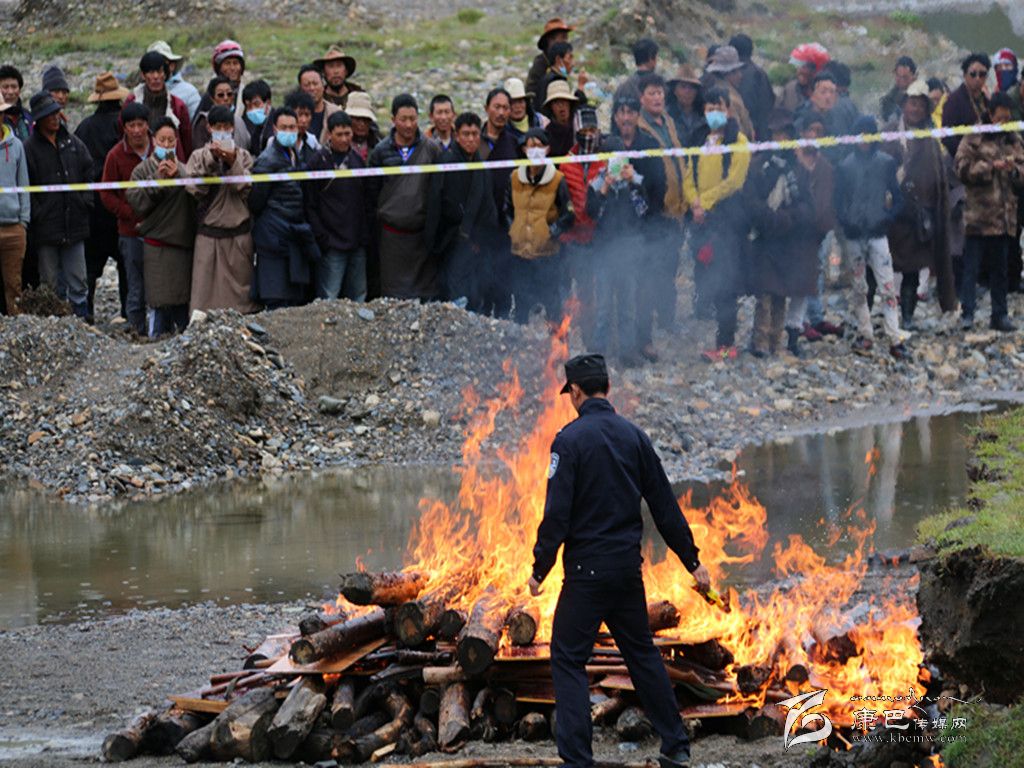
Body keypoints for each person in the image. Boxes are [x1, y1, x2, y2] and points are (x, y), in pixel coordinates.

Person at [529, 352, 709, 768]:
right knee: (642, 654)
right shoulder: (634, 437)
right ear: (606, 388)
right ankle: (676, 746)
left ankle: (577, 759)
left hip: (586, 575)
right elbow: (665, 506)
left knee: (568, 657)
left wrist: (541, 568)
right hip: (627, 572)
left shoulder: (568, 441)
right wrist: (691, 560)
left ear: (575, 391)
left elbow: (556, 515)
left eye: (569, 392)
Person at [684, 87, 751, 362]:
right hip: (701, 220)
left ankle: (726, 343)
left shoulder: (739, 141)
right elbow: (688, 173)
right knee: (705, 275)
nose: (714, 113)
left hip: (727, 220)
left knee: (726, 283)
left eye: (719, 107)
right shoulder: (698, 138)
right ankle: (714, 334)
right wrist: (694, 202)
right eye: (709, 108)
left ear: (729, 110)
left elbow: (735, 181)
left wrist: (706, 201)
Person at [587, 101, 657, 365]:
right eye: (610, 160)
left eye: (620, 160)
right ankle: (599, 352)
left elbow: (644, 209)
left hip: (628, 250)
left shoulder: (634, 181)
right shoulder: (597, 182)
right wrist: (605, 185)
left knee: (627, 305)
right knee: (604, 306)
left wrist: (632, 183)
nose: (615, 165)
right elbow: (592, 212)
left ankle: (628, 351)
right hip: (605, 251)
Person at [884, 80, 956, 327]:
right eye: (911, 104)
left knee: (912, 271)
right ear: (904, 105)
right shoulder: (891, 131)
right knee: (883, 268)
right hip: (892, 214)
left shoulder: (929, 139)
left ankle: (907, 316)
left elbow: (936, 174)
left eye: (919, 105)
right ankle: (883, 316)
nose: (915, 109)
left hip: (919, 217)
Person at [745, 110, 817, 358]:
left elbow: (808, 205)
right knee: (764, 294)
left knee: (780, 295)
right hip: (765, 238)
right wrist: (769, 218)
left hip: (788, 240)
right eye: (776, 134)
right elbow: (751, 201)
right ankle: (760, 341)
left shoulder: (798, 171)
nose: (780, 139)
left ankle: (776, 341)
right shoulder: (759, 167)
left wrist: (789, 218)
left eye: (784, 134)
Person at [834, 115, 907, 358]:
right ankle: (866, 333)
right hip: (855, 235)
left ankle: (894, 337)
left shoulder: (885, 163)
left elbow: (898, 197)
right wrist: (846, 223)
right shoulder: (845, 166)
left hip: (877, 234)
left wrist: (888, 217)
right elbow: (839, 202)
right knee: (859, 287)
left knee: (887, 286)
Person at [955, 92, 1024, 332]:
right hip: (978, 216)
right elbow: (961, 168)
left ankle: (999, 315)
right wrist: (989, 167)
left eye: (1007, 118)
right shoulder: (974, 137)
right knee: (971, 268)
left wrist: (1014, 170)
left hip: (1004, 218)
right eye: (999, 118)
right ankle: (968, 314)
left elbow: (1023, 169)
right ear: (990, 114)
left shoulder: (1013, 138)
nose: (1003, 123)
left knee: (1000, 270)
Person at [24, 91, 93, 319]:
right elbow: (26, 186)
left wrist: (85, 202)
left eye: (56, 113)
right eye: (49, 114)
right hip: (46, 227)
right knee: (49, 283)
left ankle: (81, 323)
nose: (55, 118)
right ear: (39, 119)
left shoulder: (73, 142)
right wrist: (38, 213)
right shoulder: (29, 149)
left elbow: (88, 170)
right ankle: (52, 329)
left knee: (78, 280)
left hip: (74, 223)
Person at [368, 94, 443, 300]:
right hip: (391, 238)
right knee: (393, 297)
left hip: (421, 237)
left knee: (425, 296)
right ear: (393, 120)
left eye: (413, 119)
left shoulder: (431, 149)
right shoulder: (380, 152)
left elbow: (437, 191)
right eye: (403, 119)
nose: (409, 125)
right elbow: (372, 193)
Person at [127, 117, 197, 335]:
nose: (166, 145)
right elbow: (136, 202)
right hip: (156, 246)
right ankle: (154, 340)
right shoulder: (142, 170)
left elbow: (198, 196)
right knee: (158, 301)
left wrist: (179, 176)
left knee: (181, 302)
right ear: (153, 141)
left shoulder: (185, 169)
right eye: (162, 140)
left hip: (181, 244)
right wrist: (157, 179)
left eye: (170, 141)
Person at [185, 104, 258, 314]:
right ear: (209, 128)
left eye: (227, 126)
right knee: (204, 300)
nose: (223, 131)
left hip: (238, 236)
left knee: (241, 300)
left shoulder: (244, 156)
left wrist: (232, 162)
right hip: (209, 236)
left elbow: (245, 189)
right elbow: (194, 190)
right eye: (218, 126)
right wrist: (213, 160)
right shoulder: (198, 156)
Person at [609, 92, 665, 363]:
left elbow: (659, 186)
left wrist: (636, 179)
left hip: (643, 229)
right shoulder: (607, 144)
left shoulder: (649, 145)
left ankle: (644, 340)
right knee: (616, 289)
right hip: (612, 230)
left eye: (631, 112)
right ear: (615, 117)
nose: (626, 118)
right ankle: (619, 344)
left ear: (638, 116)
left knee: (644, 289)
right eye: (622, 112)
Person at [249, 107, 321, 309]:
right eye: (284, 127)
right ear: (274, 128)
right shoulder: (267, 160)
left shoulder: (293, 154)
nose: (289, 131)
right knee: (276, 298)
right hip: (273, 235)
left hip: (292, 233)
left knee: (292, 299)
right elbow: (256, 201)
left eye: (292, 127)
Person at [636, 73, 686, 357]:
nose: (657, 98)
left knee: (671, 266)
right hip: (658, 209)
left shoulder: (667, 122)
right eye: (652, 94)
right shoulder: (641, 128)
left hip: (677, 207)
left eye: (660, 93)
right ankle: (649, 325)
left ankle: (667, 317)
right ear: (642, 97)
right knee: (652, 269)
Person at [425, 111, 497, 306]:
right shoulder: (446, 162)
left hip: (475, 243)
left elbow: (487, 206)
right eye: (466, 134)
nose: (471, 139)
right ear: (457, 135)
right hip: (449, 241)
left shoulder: (480, 165)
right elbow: (435, 204)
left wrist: (480, 238)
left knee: (474, 294)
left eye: (475, 134)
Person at [75, 71, 131, 322]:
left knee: (90, 265)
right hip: (122, 203)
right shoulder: (124, 125)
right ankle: (128, 313)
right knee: (126, 264)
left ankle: (86, 313)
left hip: (95, 208)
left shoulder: (85, 127)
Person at [504, 127, 574, 324]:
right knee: (521, 307)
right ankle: (520, 348)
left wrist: (550, 232)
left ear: (547, 149)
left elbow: (568, 215)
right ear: (524, 149)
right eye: (531, 145)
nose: (534, 149)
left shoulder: (558, 180)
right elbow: (506, 209)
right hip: (520, 255)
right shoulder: (514, 178)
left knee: (552, 306)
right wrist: (514, 230)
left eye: (539, 145)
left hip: (547, 255)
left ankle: (557, 349)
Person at [308, 110, 372, 302]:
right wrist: (322, 236)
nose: (345, 139)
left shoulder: (357, 161)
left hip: (356, 241)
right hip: (332, 243)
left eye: (348, 134)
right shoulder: (318, 162)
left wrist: (364, 235)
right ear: (329, 135)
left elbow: (365, 201)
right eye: (340, 135)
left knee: (359, 294)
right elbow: (310, 203)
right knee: (329, 296)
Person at [100, 102, 152, 335]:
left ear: (148, 125)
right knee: (135, 282)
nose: (137, 130)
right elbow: (106, 192)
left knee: (161, 280)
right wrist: (127, 213)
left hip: (161, 229)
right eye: (132, 125)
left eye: (141, 124)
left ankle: (160, 328)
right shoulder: (115, 156)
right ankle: (137, 329)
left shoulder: (161, 148)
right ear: (124, 128)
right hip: (130, 231)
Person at [559, 107, 606, 342]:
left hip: (595, 237)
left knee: (589, 291)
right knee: (566, 292)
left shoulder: (605, 161)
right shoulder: (566, 163)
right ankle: (562, 339)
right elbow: (562, 197)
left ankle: (590, 337)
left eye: (592, 129)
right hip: (571, 238)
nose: (589, 134)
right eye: (584, 129)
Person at [479, 87, 519, 317]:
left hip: (506, 226)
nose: (502, 113)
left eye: (506, 108)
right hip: (480, 226)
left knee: (504, 285)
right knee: (481, 285)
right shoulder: (473, 140)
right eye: (497, 107)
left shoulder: (514, 143)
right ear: (487, 109)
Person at [125, 51, 193, 160]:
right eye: (151, 72)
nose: (156, 77)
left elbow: (187, 143)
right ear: (143, 75)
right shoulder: (132, 102)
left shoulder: (177, 106)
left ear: (165, 74)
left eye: (159, 71)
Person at [0, 99, 29, 315]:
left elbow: (23, 184)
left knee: (13, 283)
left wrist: (23, 222)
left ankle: (14, 331)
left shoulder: (16, 145)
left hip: (13, 225)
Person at [941, 53, 990, 159]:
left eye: (982, 74)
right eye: (973, 74)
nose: (977, 78)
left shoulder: (986, 101)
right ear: (964, 75)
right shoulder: (954, 100)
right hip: (960, 160)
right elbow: (946, 136)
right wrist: (966, 154)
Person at [702, 45, 754, 139]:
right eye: (735, 72)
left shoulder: (728, 92)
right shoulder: (728, 98)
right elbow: (737, 129)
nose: (740, 76)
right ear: (726, 74)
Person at [730, 33, 775, 140]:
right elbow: (769, 104)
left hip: (736, 133)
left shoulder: (728, 74)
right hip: (759, 134)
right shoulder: (759, 74)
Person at [192, 76, 250, 154]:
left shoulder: (239, 121)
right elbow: (200, 155)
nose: (226, 98)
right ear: (212, 98)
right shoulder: (204, 121)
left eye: (229, 94)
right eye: (220, 95)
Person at [147, 40, 201, 120]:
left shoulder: (189, 92)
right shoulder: (140, 92)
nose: (156, 73)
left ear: (171, 66)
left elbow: (196, 124)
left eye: (161, 65)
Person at [533, 41, 588, 115]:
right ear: (559, 60)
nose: (573, 63)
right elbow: (571, 110)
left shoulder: (547, 77)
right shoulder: (555, 81)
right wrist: (580, 86)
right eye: (570, 58)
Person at [526, 17, 574, 99]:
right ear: (550, 40)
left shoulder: (563, 63)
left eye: (566, 38)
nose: (565, 41)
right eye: (563, 38)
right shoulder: (540, 64)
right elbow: (531, 92)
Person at [779, 42, 829, 112]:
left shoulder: (827, 95)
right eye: (799, 65)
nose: (800, 71)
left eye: (805, 66)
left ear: (817, 70)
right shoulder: (790, 89)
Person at [298, 64, 341, 145]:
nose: (312, 88)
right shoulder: (293, 113)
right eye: (307, 85)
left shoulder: (335, 112)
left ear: (323, 85)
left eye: (315, 83)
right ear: (300, 88)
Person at [201, 39, 246, 114]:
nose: (232, 68)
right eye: (227, 63)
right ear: (218, 68)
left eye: (235, 63)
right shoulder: (209, 96)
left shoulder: (246, 93)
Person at [665, 65, 704, 144]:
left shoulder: (703, 115)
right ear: (675, 91)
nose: (687, 91)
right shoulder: (667, 115)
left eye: (691, 87)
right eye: (683, 87)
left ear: (697, 92)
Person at [541, 78, 579, 157]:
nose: (561, 106)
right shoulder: (547, 132)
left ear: (570, 103)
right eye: (556, 102)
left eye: (564, 100)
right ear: (551, 107)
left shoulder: (578, 125)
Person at [283, 89, 322, 160]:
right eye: (300, 114)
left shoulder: (312, 141)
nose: (304, 120)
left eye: (307, 115)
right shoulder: (278, 140)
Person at [505, 77, 545, 141]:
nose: (517, 106)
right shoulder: (502, 129)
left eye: (520, 101)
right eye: (513, 102)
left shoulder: (541, 121)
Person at [879, 55, 917, 123]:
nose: (901, 81)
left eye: (905, 77)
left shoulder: (922, 96)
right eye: (898, 77)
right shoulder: (888, 100)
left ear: (914, 77)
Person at [0, 65, 33, 142]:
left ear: (20, 89)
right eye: (5, 87)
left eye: (14, 87)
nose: (10, 92)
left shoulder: (28, 116)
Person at [346, 91, 381, 163]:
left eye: (366, 119)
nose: (362, 124)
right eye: (357, 119)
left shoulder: (379, 146)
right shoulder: (336, 147)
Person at [241, 80, 273, 156]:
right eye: (249, 106)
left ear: (268, 103)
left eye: (256, 104)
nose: (252, 109)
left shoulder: (278, 122)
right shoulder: (247, 122)